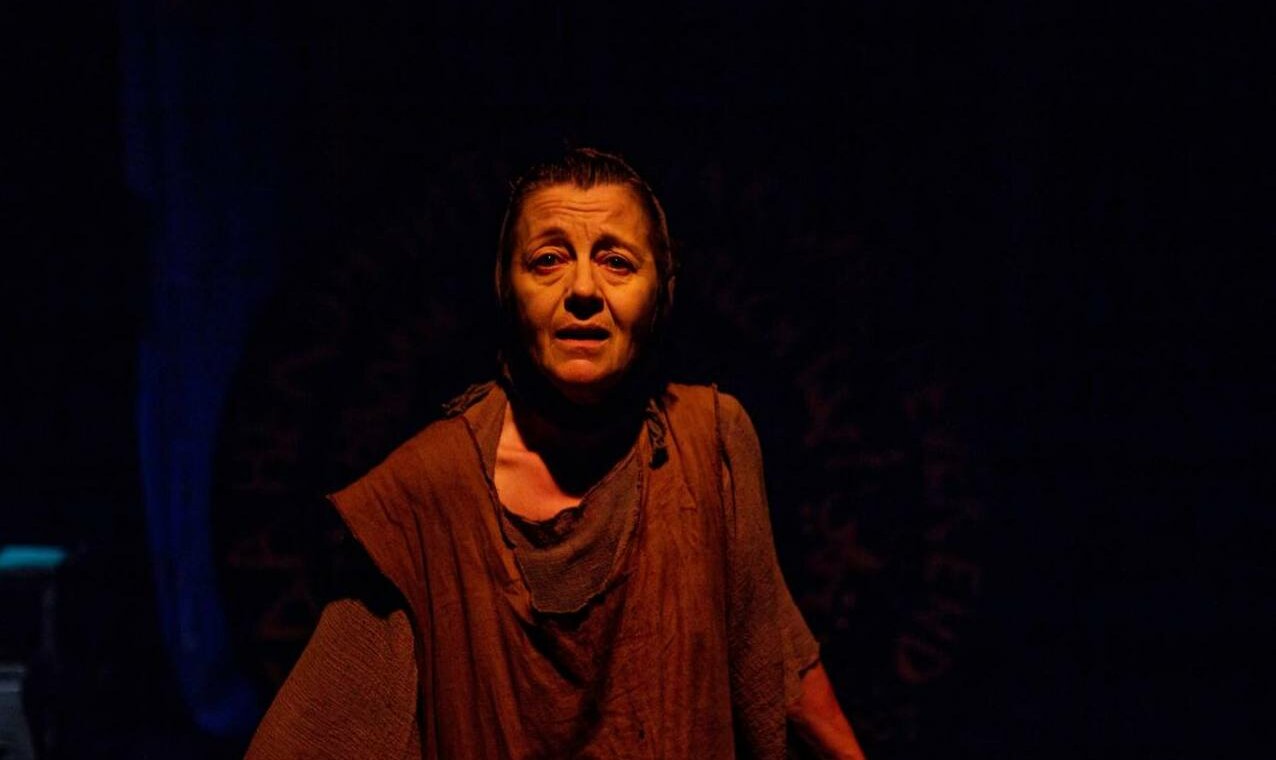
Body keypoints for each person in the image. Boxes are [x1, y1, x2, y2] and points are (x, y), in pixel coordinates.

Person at [244, 148, 866, 759]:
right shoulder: (429, 492)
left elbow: (773, 656)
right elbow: (320, 731)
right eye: (548, 260)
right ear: (506, 288)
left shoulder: (708, 444)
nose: (584, 289)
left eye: (617, 262)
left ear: (661, 291)